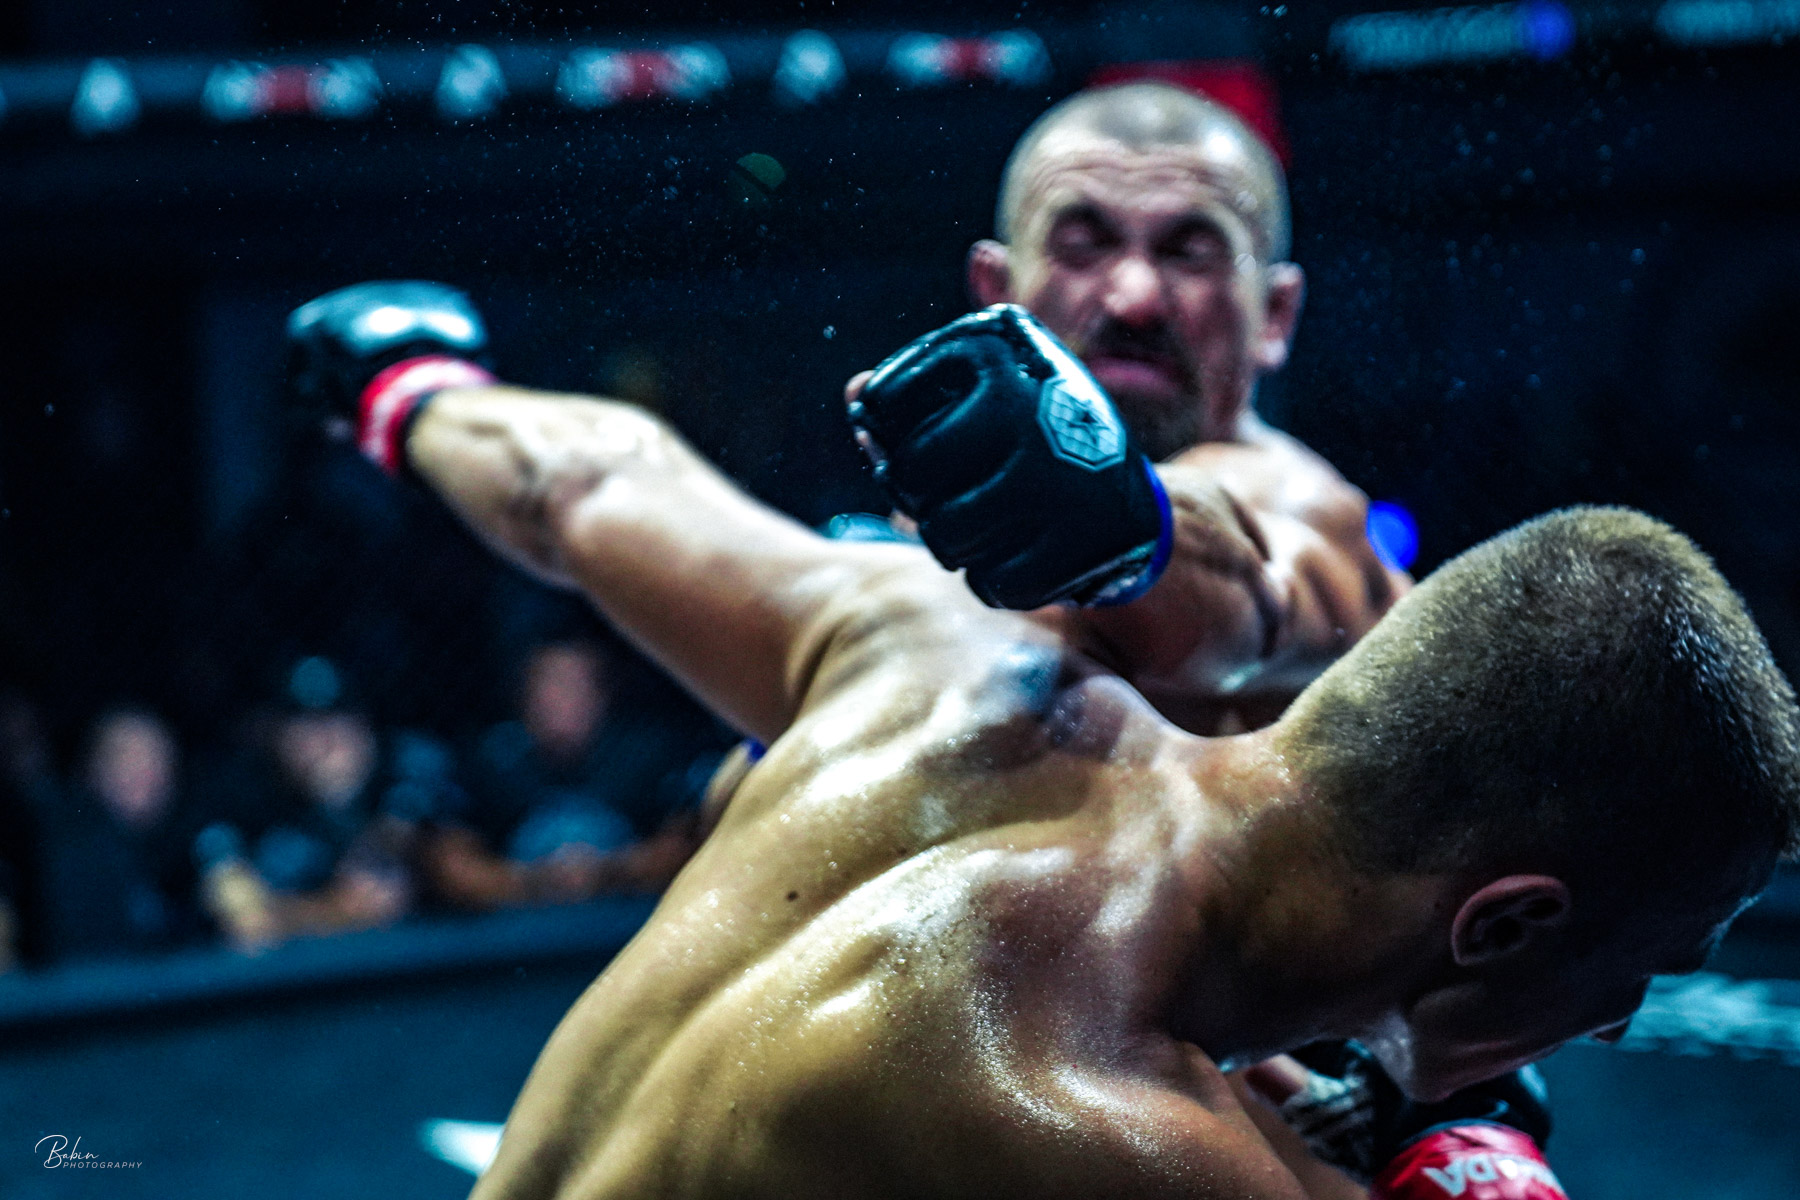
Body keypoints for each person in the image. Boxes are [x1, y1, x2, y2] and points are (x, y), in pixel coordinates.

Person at [286, 297, 1800, 1199]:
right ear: (1509, 920)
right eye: (1645, 964)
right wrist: (1461, 1152)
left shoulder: (933, 647)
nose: (1617, 1023)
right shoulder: (1126, 1136)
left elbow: (592, 483)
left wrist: (409, 391)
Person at [844, 80, 1408, 734]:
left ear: (1275, 315)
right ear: (996, 293)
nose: (1134, 299)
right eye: (1082, 246)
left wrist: (1125, 534)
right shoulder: (923, 541)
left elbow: (1260, 594)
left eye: (1191, 255)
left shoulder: (1305, 512)